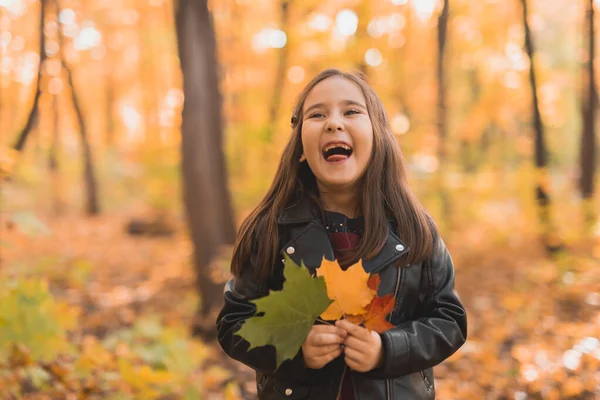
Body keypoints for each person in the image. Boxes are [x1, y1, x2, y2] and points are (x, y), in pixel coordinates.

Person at [216, 68, 467, 399]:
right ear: (301, 149)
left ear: (378, 138)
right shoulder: (270, 230)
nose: (334, 122)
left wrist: (386, 349)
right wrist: (295, 348)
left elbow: (449, 320)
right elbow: (234, 323)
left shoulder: (415, 229)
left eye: (351, 111)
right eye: (317, 114)